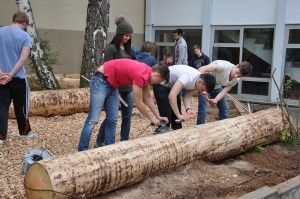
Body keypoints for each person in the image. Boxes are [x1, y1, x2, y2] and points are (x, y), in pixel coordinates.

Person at [78, 59, 170, 151]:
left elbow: (148, 96)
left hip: (112, 85)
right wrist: (152, 119)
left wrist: (158, 116)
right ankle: (82, 150)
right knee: (93, 119)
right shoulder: (141, 74)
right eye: (159, 80)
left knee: (112, 119)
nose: (157, 83)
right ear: (157, 74)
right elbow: (138, 103)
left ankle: (110, 149)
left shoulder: (146, 73)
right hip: (101, 80)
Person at [0, 11, 37, 146]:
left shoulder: (1, 31)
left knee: (2, 106)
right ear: (25, 23)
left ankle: (0, 137)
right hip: (18, 77)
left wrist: (2, 74)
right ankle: (25, 133)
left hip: (1, 77)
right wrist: (10, 75)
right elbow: (22, 59)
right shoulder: (25, 36)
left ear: (13, 20)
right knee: (21, 107)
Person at [98, 15, 136, 143]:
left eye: (129, 35)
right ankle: (100, 141)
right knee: (111, 118)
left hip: (128, 88)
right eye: (125, 35)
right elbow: (107, 70)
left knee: (127, 116)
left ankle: (124, 140)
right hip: (115, 89)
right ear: (119, 34)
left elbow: (134, 67)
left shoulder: (130, 50)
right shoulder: (111, 49)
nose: (127, 38)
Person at [153, 65, 216, 130]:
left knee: (177, 114)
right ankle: (163, 130)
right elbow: (172, 96)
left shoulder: (197, 81)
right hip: (161, 84)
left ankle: (177, 131)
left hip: (172, 85)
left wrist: (188, 109)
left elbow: (187, 96)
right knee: (166, 114)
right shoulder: (188, 76)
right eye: (202, 89)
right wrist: (179, 115)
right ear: (200, 82)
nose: (201, 91)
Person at [197, 60, 252, 125]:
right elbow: (201, 69)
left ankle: (221, 128)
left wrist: (215, 100)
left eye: (239, 76)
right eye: (237, 72)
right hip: (205, 84)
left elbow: (224, 92)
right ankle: (200, 130)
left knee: (225, 110)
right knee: (202, 110)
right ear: (236, 66)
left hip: (216, 86)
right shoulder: (223, 66)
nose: (235, 76)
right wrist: (201, 87)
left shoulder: (236, 80)